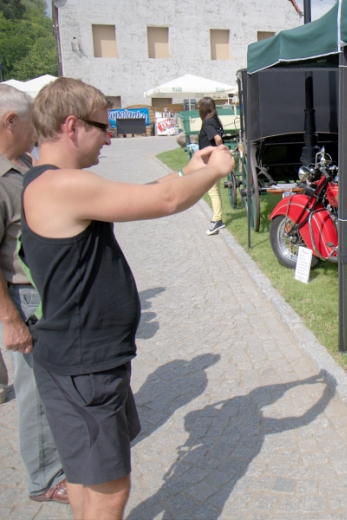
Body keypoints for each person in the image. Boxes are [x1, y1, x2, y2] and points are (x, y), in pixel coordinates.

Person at [19, 77, 234, 520]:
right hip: (86, 366)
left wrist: (187, 169)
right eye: (103, 127)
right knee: (108, 489)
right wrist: (216, 170)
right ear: (72, 126)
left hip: (75, 359)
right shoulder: (62, 186)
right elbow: (165, 200)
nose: (110, 138)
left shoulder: (47, 180)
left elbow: (145, 192)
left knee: (85, 475)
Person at [0, 84, 69, 503]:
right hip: (22, 299)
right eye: (31, 124)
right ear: (9, 121)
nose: (36, 132)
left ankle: (62, 456)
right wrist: (9, 319)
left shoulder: (23, 164)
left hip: (43, 293)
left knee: (51, 382)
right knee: (34, 389)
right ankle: (44, 477)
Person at [197, 96, 226, 235]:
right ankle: (217, 218)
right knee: (215, 190)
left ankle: (217, 220)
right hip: (215, 161)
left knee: (213, 191)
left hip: (211, 161)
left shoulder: (207, 123)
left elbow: (218, 139)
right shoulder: (215, 121)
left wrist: (219, 151)